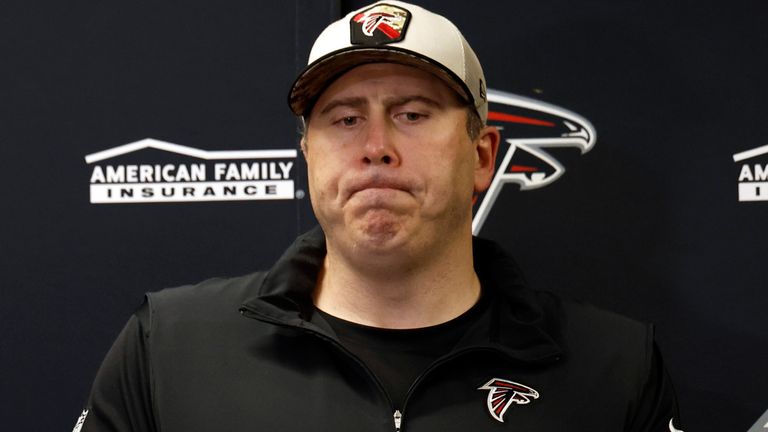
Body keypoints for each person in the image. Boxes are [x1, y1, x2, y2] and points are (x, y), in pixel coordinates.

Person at [75, 1, 683, 431]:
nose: (376, 145)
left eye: (413, 113)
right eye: (344, 118)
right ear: (308, 155)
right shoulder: (170, 349)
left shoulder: (611, 366)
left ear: (482, 156)